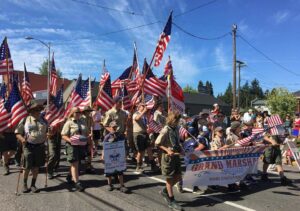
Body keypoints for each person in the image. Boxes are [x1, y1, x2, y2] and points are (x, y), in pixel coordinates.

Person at [15, 101, 47, 193]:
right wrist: (22, 139)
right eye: (36, 110)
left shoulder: (43, 120)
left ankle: (33, 185)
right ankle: (25, 184)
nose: (38, 111)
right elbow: (17, 133)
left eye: (39, 109)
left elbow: (48, 131)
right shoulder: (25, 120)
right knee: (27, 166)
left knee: (36, 167)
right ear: (31, 111)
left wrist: (50, 133)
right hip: (28, 146)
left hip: (40, 147)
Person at [155, 111, 184, 211]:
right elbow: (157, 143)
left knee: (179, 176)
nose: (178, 122)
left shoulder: (176, 129)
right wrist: (167, 150)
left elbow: (177, 141)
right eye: (177, 120)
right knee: (170, 178)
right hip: (168, 157)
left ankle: (165, 190)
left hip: (176, 155)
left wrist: (182, 149)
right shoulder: (165, 129)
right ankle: (171, 201)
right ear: (173, 120)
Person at [61, 107, 89, 191]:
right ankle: (77, 182)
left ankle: (70, 176)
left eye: (79, 112)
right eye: (76, 112)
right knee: (75, 163)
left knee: (78, 162)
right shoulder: (69, 123)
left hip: (82, 145)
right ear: (72, 113)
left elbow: (86, 132)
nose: (78, 113)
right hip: (72, 146)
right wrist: (71, 141)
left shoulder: (83, 121)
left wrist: (89, 141)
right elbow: (63, 135)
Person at [102, 121, 128, 193]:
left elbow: (123, 146)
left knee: (120, 170)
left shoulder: (120, 135)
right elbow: (104, 147)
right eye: (113, 127)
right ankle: (110, 184)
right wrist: (103, 155)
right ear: (110, 128)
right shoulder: (107, 137)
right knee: (109, 171)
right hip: (110, 156)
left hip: (118, 155)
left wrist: (124, 154)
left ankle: (122, 185)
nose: (114, 128)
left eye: (116, 127)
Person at [81, 106, 95, 174]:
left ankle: (88, 167)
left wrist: (91, 133)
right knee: (82, 153)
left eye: (90, 111)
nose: (89, 112)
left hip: (89, 137)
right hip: (83, 137)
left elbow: (92, 126)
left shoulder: (90, 118)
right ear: (85, 112)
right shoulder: (81, 118)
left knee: (89, 153)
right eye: (88, 111)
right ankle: (80, 167)